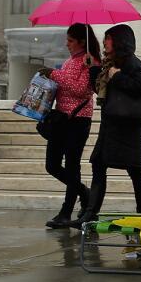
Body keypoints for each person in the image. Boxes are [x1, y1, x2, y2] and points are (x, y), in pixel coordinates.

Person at [75, 24, 141, 226]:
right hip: (110, 126)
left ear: (119, 41)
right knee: (98, 165)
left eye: (108, 38)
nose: (104, 41)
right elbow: (98, 88)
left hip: (128, 128)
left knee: (135, 171)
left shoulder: (133, 63)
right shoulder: (108, 65)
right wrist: (93, 68)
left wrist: (117, 76)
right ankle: (90, 213)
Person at [42, 23, 100, 229]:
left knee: (72, 165)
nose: (66, 44)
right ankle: (84, 193)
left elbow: (80, 89)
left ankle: (66, 212)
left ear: (81, 41)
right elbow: (66, 84)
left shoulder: (90, 61)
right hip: (62, 118)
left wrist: (53, 74)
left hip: (78, 119)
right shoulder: (70, 60)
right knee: (52, 164)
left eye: (70, 40)